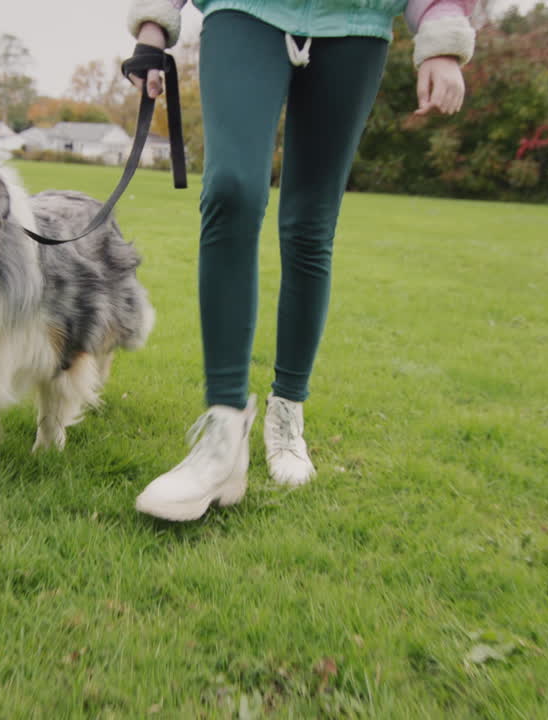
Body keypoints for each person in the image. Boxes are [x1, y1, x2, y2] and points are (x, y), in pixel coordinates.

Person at [127, 0, 478, 521]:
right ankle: (223, 434)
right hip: (245, 9)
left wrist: (443, 30)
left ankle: (287, 410)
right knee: (231, 189)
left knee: (311, 225)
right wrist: (154, 25)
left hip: (356, 21)